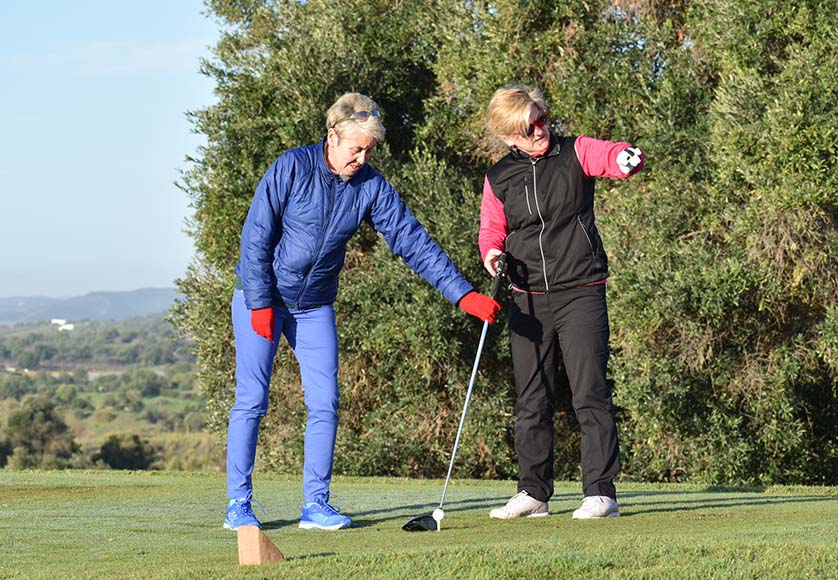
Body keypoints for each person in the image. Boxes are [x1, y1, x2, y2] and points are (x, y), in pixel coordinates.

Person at [224, 93, 501, 531]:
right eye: (356, 148)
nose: (362, 157)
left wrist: (462, 295)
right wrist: (259, 301)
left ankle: (315, 506)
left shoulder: (370, 185)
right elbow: (256, 235)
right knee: (252, 401)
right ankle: (238, 505)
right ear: (332, 137)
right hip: (262, 299)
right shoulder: (291, 168)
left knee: (325, 403)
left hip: (314, 305)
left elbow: (412, 242)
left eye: (369, 149)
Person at [478, 84, 645, 520]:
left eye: (542, 118)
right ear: (509, 136)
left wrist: (628, 157)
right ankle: (533, 492)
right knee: (532, 397)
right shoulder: (499, 177)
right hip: (527, 299)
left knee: (589, 391)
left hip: (580, 290)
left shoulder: (574, 151)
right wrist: (493, 255)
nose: (540, 129)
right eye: (528, 126)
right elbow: (491, 232)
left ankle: (600, 492)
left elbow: (610, 155)